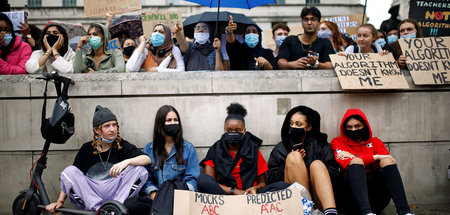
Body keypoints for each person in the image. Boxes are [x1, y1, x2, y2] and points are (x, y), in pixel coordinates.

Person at [45, 105, 150, 212]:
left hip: (117, 193)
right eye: (107, 126)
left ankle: (115, 208)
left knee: (139, 169)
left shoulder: (122, 145)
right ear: (96, 130)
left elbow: (147, 159)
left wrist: (126, 162)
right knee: (68, 171)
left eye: (114, 125)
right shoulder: (86, 149)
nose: (112, 129)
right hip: (92, 194)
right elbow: (70, 178)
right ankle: (100, 210)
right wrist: (60, 201)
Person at [331, 109, 413, 215]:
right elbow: (345, 163)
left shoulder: (375, 142)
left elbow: (387, 158)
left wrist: (353, 156)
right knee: (356, 162)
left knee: (387, 161)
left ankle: (404, 211)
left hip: (376, 197)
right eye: (349, 127)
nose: (354, 130)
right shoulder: (338, 142)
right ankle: (366, 213)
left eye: (357, 126)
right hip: (350, 197)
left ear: (364, 126)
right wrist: (375, 157)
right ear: (344, 128)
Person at [197, 103, 289, 195]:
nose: (233, 133)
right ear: (224, 130)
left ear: (244, 131)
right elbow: (210, 182)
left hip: (250, 196)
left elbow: (263, 183)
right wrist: (235, 191)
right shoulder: (215, 150)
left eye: (237, 130)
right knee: (202, 180)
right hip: (226, 196)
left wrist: (254, 189)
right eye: (229, 130)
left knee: (283, 186)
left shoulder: (253, 149)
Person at [125, 105, 200, 215]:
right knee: (130, 205)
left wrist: (175, 198)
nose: (173, 123)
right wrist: (155, 195)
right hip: (156, 200)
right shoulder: (149, 149)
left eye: (175, 120)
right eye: (168, 120)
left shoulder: (188, 149)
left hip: (181, 200)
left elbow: (192, 180)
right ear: (160, 123)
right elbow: (146, 179)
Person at [267, 105, 341, 215]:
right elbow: (271, 179)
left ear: (308, 127)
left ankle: (331, 212)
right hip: (293, 200)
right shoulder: (280, 149)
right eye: (291, 123)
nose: (293, 127)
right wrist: (290, 164)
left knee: (317, 164)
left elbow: (335, 175)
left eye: (298, 124)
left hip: (319, 198)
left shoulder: (321, 146)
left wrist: (309, 169)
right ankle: (308, 210)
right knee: (293, 157)